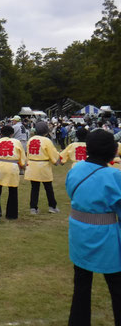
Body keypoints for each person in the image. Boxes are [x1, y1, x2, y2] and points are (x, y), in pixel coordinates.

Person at [67, 129, 121, 325]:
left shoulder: (76, 170)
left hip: (79, 233)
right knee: (117, 286)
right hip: (106, 236)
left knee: (81, 285)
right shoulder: (114, 176)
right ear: (113, 150)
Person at [0, 126, 27, 221]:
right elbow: (22, 157)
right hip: (12, 166)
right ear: (12, 134)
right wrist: (23, 166)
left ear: (1, 133)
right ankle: (11, 214)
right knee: (13, 190)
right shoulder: (17, 142)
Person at [25, 121, 61, 214]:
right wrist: (56, 161)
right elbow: (52, 153)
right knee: (48, 187)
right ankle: (52, 206)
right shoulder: (46, 141)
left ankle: (33, 207)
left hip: (32, 165)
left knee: (34, 188)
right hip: (43, 165)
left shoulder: (31, 140)